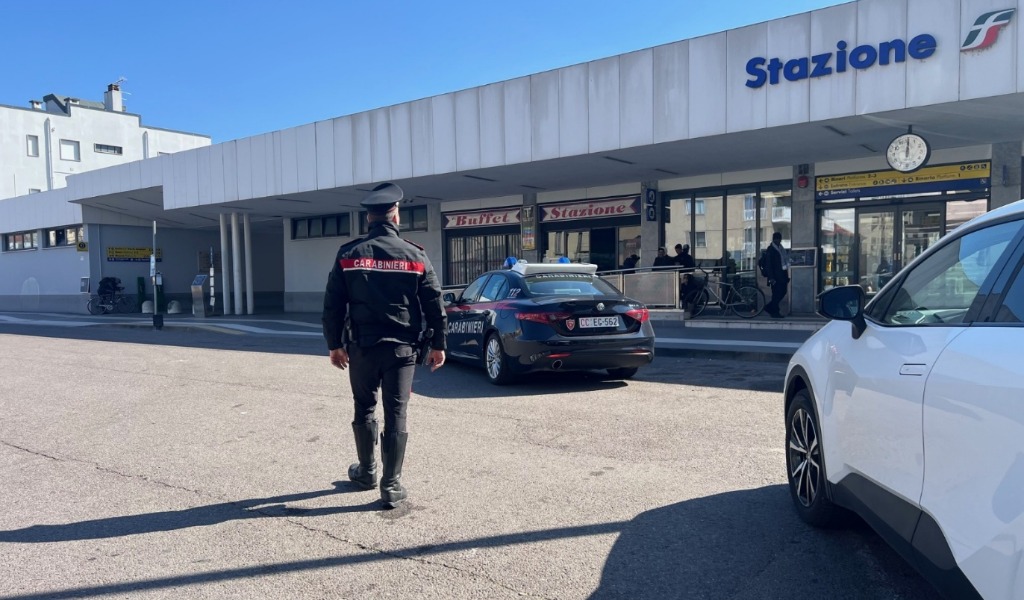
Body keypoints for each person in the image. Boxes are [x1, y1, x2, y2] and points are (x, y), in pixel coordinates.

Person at [322, 182, 448, 509]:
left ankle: (365, 472)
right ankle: (390, 486)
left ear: (368, 217)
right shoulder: (415, 254)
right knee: (396, 412)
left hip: (362, 347)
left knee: (364, 406)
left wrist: (335, 345)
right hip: (402, 351)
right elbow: (435, 303)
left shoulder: (349, 254)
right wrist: (438, 344)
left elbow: (333, 305)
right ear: (396, 214)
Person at [764, 231, 791, 318]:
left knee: (783, 292)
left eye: (779, 239)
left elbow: (784, 261)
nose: (778, 241)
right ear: (774, 239)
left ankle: (769, 307)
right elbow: (769, 265)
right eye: (777, 239)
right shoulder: (771, 250)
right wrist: (771, 278)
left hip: (782, 275)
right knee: (776, 294)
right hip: (775, 277)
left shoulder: (781, 249)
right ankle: (775, 312)